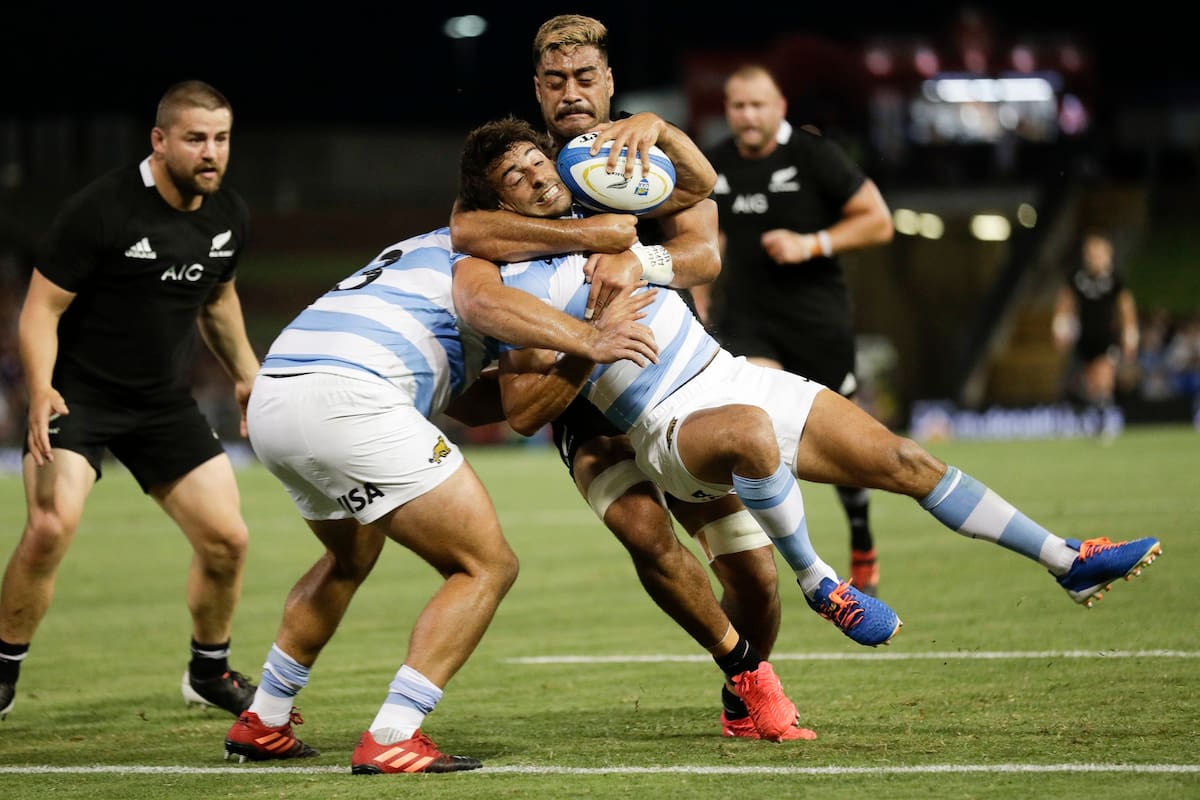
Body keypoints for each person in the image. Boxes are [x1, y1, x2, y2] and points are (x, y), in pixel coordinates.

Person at [456, 117, 1164, 647]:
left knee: (904, 460)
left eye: (535, 161)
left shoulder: (601, 208)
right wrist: (591, 344)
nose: (537, 175)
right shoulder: (514, 280)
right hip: (665, 426)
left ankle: (1065, 559)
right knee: (750, 436)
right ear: (497, 204)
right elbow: (521, 407)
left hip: (725, 373)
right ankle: (821, 581)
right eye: (515, 178)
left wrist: (664, 133)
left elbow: (703, 191)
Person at [221, 226, 805, 773]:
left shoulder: (419, 250)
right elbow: (521, 410)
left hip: (276, 394)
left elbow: (472, 402)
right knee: (485, 566)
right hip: (353, 401)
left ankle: (264, 718)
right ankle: (394, 735)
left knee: (348, 558)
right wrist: (589, 346)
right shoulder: (494, 264)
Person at [450, 13, 793, 742]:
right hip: (583, 400)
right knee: (647, 535)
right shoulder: (517, 163)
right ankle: (745, 675)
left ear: (608, 81)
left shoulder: (649, 159)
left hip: (669, 381)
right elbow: (468, 232)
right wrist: (586, 235)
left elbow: (704, 254)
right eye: (554, 81)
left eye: (584, 78)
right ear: (537, 89)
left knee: (756, 578)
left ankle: (743, 683)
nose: (570, 93)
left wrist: (639, 246)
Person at [0, 80, 262, 721]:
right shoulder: (101, 211)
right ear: (160, 140)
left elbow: (218, 299)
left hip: (159, 404)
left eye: (221, 139)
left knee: (228, 540)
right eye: (196, 139)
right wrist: (39, 388)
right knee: (50, 525)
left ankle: (208, 672)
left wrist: (249, 375)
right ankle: (2, 675)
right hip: (78, 398)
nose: (211, 153)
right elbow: (41, 310)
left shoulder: (227, 214)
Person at [691, 63, 895, 597]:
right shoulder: (715, 164)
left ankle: (860, 532)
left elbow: (879, 219)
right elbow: (710, 239)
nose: (748, 115)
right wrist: (702, 293)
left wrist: (811, 244)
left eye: (758, 105)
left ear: (779, 106)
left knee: (846, 447)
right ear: (728, 111)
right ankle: (801, 563)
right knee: (758, 424)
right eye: (738, 106)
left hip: (817, 321)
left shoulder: (814, 155)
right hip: (748, 323)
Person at [1052, 228, 1139, 437]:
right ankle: (1098, 414)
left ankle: (1104, 421)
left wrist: (1130, 336)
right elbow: (1065, 302)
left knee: (1104, 376)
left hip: (1106, 337)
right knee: (1091, 385)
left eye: (1099, 253)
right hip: (1084, 338)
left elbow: (1126, 308)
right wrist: (1060, 328)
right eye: (1090, 254)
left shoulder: (1115, 281)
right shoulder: (1077, 279)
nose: (1094, 258)